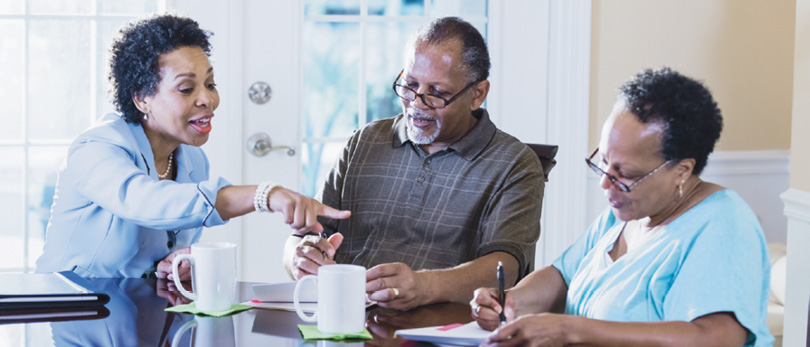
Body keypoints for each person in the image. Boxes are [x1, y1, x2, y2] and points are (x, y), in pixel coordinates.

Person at [470, 67, 773, 346]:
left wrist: (568, 329)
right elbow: (561, 276)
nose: (606, 184)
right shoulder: (627, 214)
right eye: (603, 162)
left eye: (625, 174)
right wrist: (510, 302)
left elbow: (715, 338)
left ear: (681, 170)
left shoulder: (723, 224)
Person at [36, 14, 350, 279]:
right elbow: (147, 203)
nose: (207, 100)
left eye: (210, 84)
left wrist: (171, 264)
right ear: (141, 98)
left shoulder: (193, 160)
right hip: (69, 313)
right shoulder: (96, 149)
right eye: (187, 88)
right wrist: (265, 195)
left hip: (138, 315)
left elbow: (167, 238)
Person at [283, 17, 546, 311]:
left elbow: (506, 267)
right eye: (409, 86)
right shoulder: (365, 141)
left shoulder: (515, 163)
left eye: (437, 93)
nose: (417, 104)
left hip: (440, 327)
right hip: (345, 319)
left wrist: (424, 286)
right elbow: (304, 236)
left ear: (478, 94)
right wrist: (299, 256)